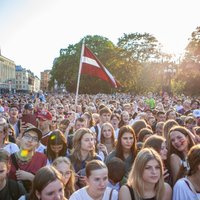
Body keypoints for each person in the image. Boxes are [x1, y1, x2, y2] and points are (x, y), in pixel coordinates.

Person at [9, 127, 47, 192]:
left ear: (37, 144)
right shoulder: (9, 159)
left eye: (35, 139)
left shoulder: (42, 158)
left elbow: (46, 184)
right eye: (27, 136)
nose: (30, 140)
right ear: (21, 138)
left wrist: (31, 177)